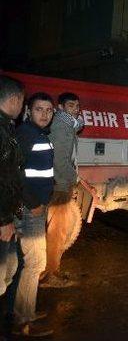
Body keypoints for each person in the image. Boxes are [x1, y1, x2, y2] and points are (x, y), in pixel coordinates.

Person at [11, 92, 55, 337]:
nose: (45, 114)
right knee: (35, 263)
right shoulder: (27, 134)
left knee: (30, 263)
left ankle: (24, 311)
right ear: (28, 110)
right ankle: (23, 319)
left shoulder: (38, 134)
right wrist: (32, 203)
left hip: (36, 206)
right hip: (30, 210)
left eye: (49, 111)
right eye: (39, 109)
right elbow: (14, 174)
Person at [40, 92, 84, 288]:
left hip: (59, 183)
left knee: (56, 230)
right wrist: (72, 179)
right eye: (70, 105)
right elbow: (60, 159)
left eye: (76, 106)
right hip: (60, 185)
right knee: (57, 232)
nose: (75, 109)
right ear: (60, 107)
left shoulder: (67, 125)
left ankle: (50, 270)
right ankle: (49, 274)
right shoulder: (62, 126)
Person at [0, 76, 25, 299]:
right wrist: (5, 221)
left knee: (9, 271)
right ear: (16, 99)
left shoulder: (6, 127)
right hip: (2, 220)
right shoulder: (3, 132)